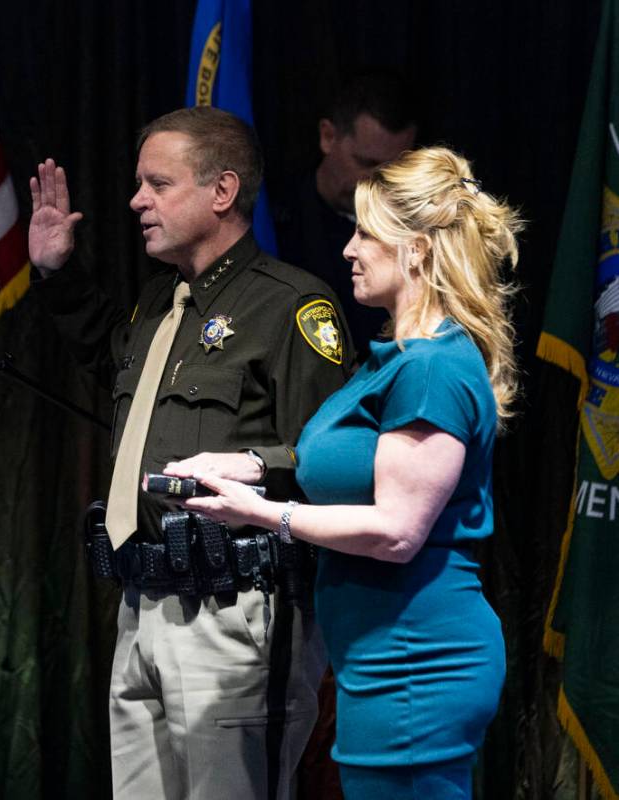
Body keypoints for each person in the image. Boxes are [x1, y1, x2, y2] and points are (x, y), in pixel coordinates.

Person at [28, 107, 354, 799]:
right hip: (143, 601)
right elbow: (116, 372)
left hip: (235, 610)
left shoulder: (293, 307)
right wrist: (57, 274)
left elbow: (335, 458)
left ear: (222, 191)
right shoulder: (161, 303)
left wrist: (260, 468)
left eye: (157, 183)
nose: (136, 201)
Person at [177, 146, 521, 799]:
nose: (349, 250)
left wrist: (258, 512)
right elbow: (343, 459)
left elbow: (396, 531)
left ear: (416, 250)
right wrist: (248, 463)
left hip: (416, 663)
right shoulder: (391, 359)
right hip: (378, 659)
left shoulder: (433, 367)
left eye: (366, 233)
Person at [277, 71, 417, 362]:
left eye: (395, 167)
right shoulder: (273, 221)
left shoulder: (416, 231)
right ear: (328, 137)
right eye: (366, 163)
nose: (379, 181)